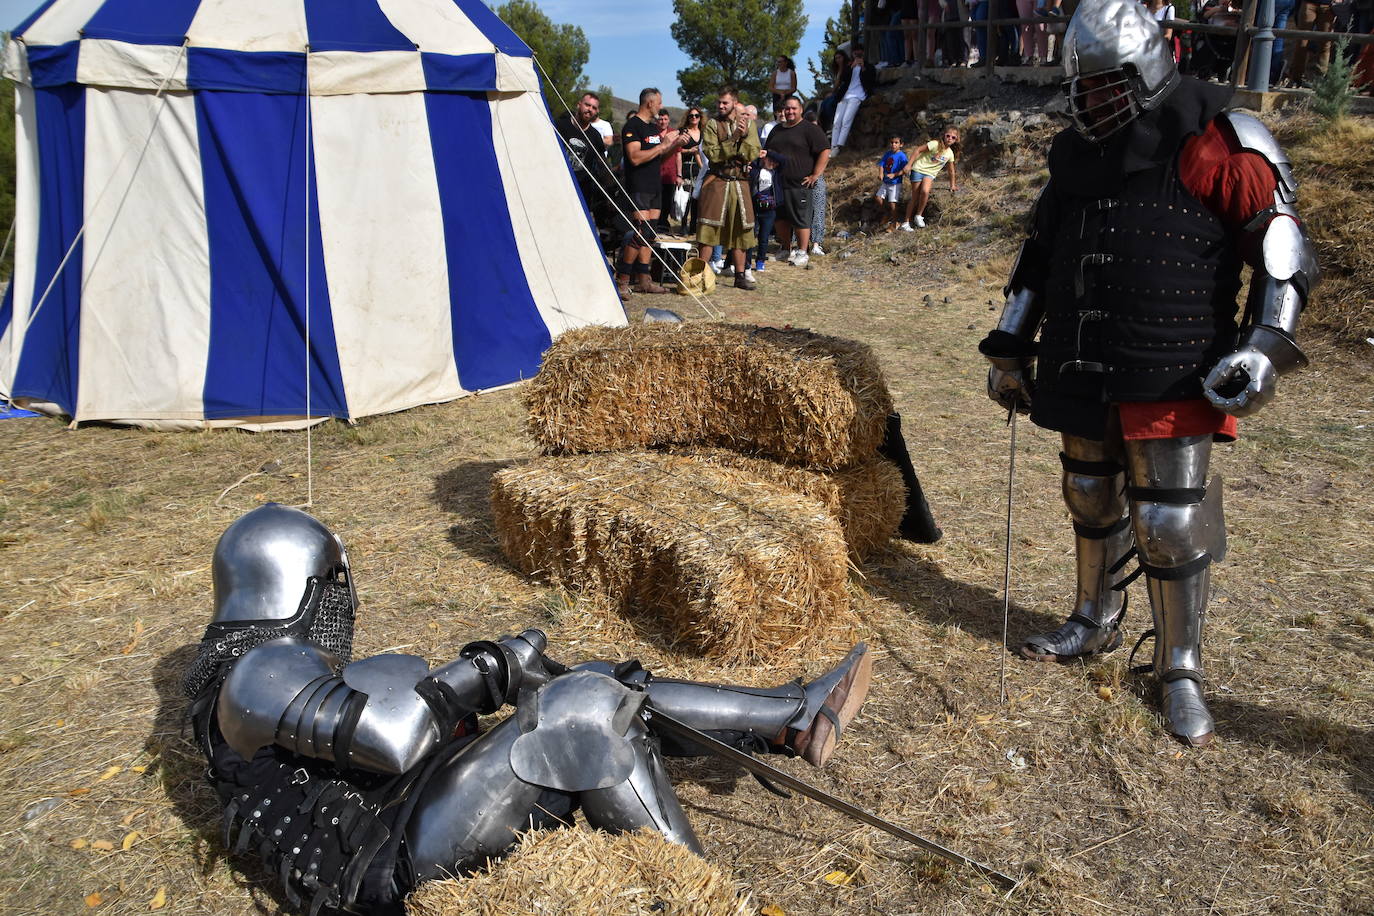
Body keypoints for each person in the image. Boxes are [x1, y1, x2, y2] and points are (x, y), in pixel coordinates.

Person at [187, 504, 875, 915]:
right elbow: (396, 739)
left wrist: (507, 683)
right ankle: (705, 900)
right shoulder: (261, 667)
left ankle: (790, 716)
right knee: (580, 710)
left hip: (399, 816)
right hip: (383, 856)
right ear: (296, 584)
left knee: (593, 680)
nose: (343, 604)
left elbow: (400, 738)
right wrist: (490, 670)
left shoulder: (255, 675)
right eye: (330, 586)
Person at [978, 0, 1317, 747]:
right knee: (1089, 493)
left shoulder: (1217, 140)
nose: (1091, 102)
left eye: (1106, 85)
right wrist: (1009, 344)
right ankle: (1093, 618)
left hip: (1171, 358)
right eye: (1082, 89)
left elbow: (1282, 252)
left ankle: (1180, 667)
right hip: (1078, 352)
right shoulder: (1075, 157)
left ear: (1148, 72)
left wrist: (1263, 348)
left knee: (1166, 522)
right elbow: (1038, 258)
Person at [616, 88, 693, 300]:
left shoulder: (651, 128)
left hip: (655, 186)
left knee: (650, 235)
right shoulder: (633, 126)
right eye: (659, 103)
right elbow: (635, 157)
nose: (661, 106)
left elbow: (657, 157)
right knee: (641, 232)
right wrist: (663, 146)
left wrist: (674, 145)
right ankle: (622, 279)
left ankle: (644, 279)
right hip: (638, 185)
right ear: (650, 103)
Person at [696, 87, 761, 290]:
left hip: (740, 183)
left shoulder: (748, 124)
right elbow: (713, 154)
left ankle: (740, 276)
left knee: (742, 229)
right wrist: (733, 139)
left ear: (734, 102)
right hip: (717, 181)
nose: (721, 106)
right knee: (708, 228)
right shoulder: (712, 125)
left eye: (725, 102)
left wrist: (741, 138)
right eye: (719, 102)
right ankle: (699, 275)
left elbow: (753, 152)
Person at [554, 91, 626, 251]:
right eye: (587, 105)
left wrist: (611, 189)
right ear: (579, 104)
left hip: (582, 189)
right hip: (557, 185)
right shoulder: (561, 126)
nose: (590, 110)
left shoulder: (594, 136)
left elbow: (602, 163)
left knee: (576, 225)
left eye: (594, 108)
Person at [764, 95, 831, 267]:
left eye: (794, 108)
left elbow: (824, 150)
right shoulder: (776, 130)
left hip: (800, 183)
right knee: (780, 219)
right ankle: (786, 249)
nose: (790, 111)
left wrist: (816, 174)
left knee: (801, 218)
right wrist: (767, 161)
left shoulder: (810, 129)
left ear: (801, 109)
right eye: (787, 108)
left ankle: (802, 252)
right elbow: (767, 151)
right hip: (777, 183)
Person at [899, 127, 959, 230]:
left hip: (930, 174)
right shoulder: (934, 144)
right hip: (918, 169)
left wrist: (952, 185)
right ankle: (906, 222)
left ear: (956, 140)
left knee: (925, 191)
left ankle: (919, 215)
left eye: (953, 137)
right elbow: (918, 150)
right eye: (948, 136)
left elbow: (951, 171)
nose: (949, 139)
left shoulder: (950, 153)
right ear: (944, 135)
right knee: (915, 196)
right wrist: (909, 165)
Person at [831, 48, 875, 152]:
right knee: (836, 121)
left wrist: (863, 67)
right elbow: (843, 79)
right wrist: (851, 67)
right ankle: (833, 146)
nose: (857, 55)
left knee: (846, 120)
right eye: (855, 53)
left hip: (857, 95)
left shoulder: (869, 66)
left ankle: (839, 146)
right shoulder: (849, 66)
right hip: (844, 95)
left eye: (859, 53)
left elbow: (870, 81)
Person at [750, 149, 784, 271]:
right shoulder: (755, 169)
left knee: (764, 238)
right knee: (750, 236)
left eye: (775, 162)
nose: (773, 164)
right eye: (771, 161)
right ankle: (747, 263)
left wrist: (769, 153)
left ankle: (760, 261)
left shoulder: (776, 172)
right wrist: (758, 156)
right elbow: (749, 162)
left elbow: (783, 160)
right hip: (754, 207)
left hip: (770, 209)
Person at [679, 107, 706, 234]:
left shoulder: (705, 133)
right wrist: (689, 151)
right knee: (686, 199)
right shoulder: (683, 132)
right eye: (691, 116)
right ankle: (683, 224)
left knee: (697, 199)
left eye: (696, 115)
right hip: (686, 168)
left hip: (700, 169)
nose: (694, 118)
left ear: (700, 117)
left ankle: (693, 227)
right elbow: (677, 150)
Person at [655, 109, 683, 234]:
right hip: (655, 174)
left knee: (667, 202)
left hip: (670, 174)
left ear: (669, 120)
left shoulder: (673, 133)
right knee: (656, 202)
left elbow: (678, 155)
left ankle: (663, 226)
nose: (663, 121)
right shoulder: (652, 133)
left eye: (665, 119)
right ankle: (655, 225)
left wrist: (679, 174)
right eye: (661, 119)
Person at [875, 135, 909, 231]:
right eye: (892, 142)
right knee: (878, 198)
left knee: (892, 203)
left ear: (901, 144)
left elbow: (905, 169)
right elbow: (881, 164)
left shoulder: (902, 156)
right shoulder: (888, 154)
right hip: (886, 182)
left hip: (895, 183)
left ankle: (894, 223)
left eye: (896, 143)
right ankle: (886, 213)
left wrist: (895, 175)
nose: (893, 145)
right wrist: (881, 174)